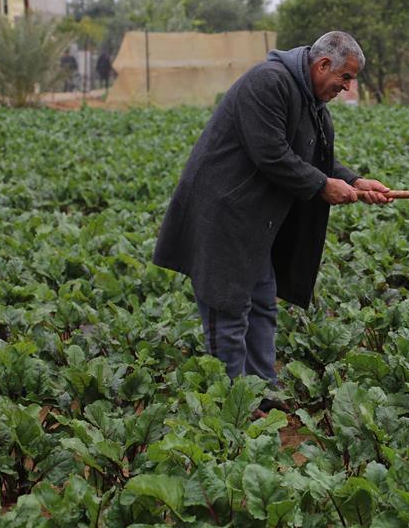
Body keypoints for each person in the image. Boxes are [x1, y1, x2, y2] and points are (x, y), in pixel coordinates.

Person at [152, 31, 391, 410]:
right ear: (323, 64)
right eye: (345, 77)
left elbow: (313, 161)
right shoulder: (270, 82)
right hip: (225, 216)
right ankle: (230, 408)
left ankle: (263, 394)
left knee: (262, 304)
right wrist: (322, 186)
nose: (346, 88)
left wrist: (354, 181)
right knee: (227, 313)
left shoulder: (308, 100)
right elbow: (271, 153)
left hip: (254, 223)